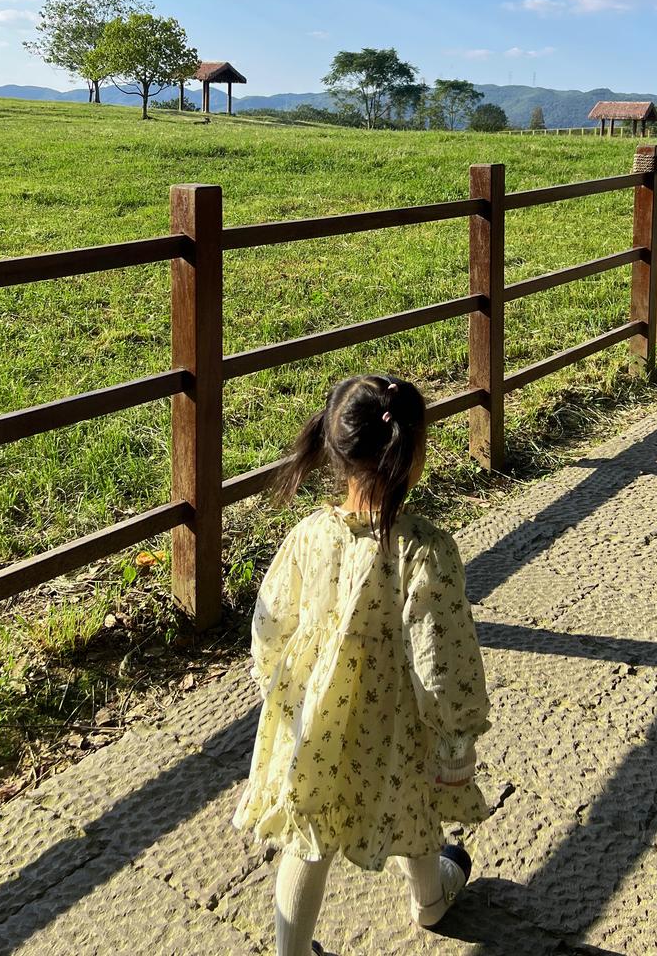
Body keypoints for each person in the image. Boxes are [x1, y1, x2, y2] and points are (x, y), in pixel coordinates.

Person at [232, 374, 491, 956]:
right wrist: (455, 738)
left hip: (316, 725)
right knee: (415, 806)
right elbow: (441, 663)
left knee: (309, 835)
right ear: (413, 456)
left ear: (332, 447)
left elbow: (270, 622)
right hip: (396, 728)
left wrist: (279, 687)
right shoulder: (424, 550)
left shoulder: (308, 536)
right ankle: (430, 901)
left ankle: (290, 951)